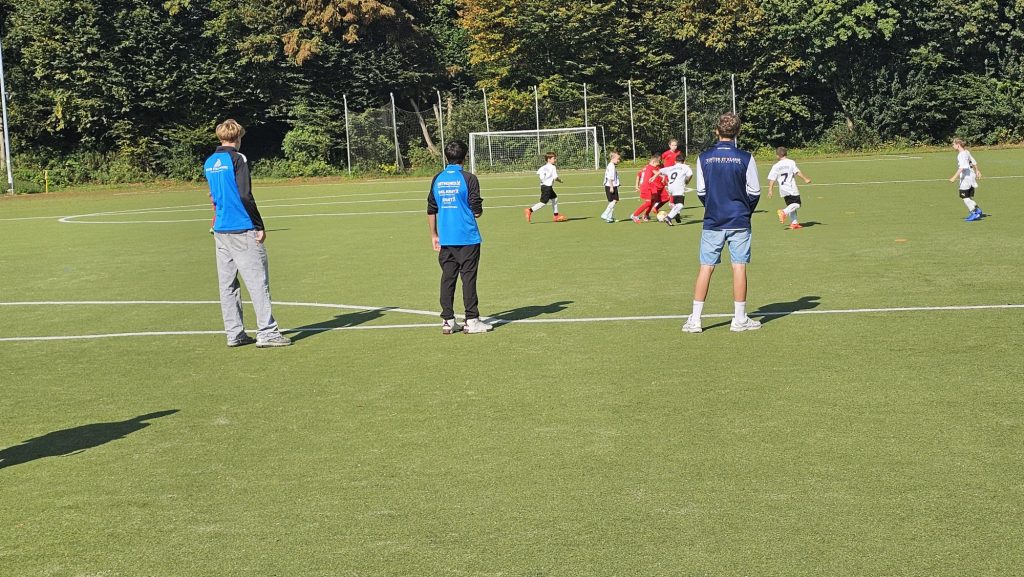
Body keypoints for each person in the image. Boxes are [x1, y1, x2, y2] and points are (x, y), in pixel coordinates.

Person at [204, 119, 292, 347]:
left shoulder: (210, 162)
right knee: (257, 281)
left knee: (228, 285)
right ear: (238, 137)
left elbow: (213, 196)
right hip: (241, 227)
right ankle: (267, 332)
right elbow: (245, 195)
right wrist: (259, 225)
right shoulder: (238, 159)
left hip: (221, 229)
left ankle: (234, 333)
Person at [682, 113, 762, 333]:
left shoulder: (704, 157)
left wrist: (713, 206)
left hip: (713, 220)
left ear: (716, 131)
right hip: (739, 220)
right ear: (738, 132)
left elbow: (701, 192)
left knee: (706, 267)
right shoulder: (746, 157)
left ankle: (695, 320)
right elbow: (754, 192)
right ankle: (740, 319)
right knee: (739, 266)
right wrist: (745, 211)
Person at [428, 140, 493, 335]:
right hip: (467, 237)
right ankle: (471, 319)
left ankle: (448, 320)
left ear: (446, 157)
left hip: (446, 237)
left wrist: (434, 235)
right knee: (468, 278)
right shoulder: (469, 178)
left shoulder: (437, 178)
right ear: (465, 157)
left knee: (447, 278)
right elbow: (477, 211)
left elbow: (431, 208)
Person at [766, 147, 812, 229]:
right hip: (791, 187)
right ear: (786, 154)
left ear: (777, 155)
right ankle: (784, 212)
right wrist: (805, 179)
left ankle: (794, 223)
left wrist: (770, 190)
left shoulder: (776, 166)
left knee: (791, 205)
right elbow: (797, 172)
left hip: (783, 189)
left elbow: (772, 179)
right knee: (797, 204)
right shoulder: (791, 162)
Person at [524, 152, 568, 223]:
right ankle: (529, 210)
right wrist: (560, 181)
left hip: (543, 186)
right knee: (543, 202)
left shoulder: (543, 167)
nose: (555, 160)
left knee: (554, 198)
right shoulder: (553, 167)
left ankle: (556, 215)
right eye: (554, 158)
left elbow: (539, 174)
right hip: (547, 188)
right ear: (549, 159)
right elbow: (555, 178)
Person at [949, 138, 983, 221]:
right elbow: (973, 162)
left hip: (966, 178)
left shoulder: (961, 155)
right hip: (971, 176)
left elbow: (962, 167)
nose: (952, 146)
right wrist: (977, 170)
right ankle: (977, 210)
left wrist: (954, 177)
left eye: (953, 144)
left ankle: (974, 213)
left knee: (964, 196)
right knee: (968, 196)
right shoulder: (966, 152)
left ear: (958, 145)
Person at [659, 155, 693, 226]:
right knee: (680, 205)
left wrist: (653, 177)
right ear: (684, 161)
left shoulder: (671, 167)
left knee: (676, 203)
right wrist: (687, 181)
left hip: (670, 187)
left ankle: (677, 214)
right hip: (678, 187)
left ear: (675, 161)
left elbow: (660, 171)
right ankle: (668, 217)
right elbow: (690, 174)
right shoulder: (685, 166)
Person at [631, 154, 662, 223]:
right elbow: (658, 173)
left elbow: (638, 175)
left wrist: (636, 185)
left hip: (649, 187)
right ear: (653, 162)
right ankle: (634, 215)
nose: (658, 165)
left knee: (653, 200)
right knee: (648, 202)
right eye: (657, 163)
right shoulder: (651, 167)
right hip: (646, 187)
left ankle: (646, 215)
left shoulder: (646, 167)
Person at [600, 152, 621, 223]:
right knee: (615, 200)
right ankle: (605, 214)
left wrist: (617, 183)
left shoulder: (611, 165)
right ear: (613, 158)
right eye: (618, 159)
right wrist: (612, 187)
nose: (619, 160)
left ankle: (609, 217)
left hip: (610, 185)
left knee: (611, 202)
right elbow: (610, 178)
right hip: (610, 186)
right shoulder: (611, 166)